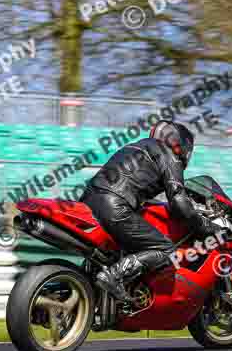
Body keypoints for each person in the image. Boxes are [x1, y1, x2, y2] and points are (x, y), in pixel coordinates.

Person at [79, 120, 223, 303]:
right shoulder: (169, 156)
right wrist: (205, 225)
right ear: (181, 144)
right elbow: (179, 201)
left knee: (111, 253)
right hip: (115, 205)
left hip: (88, 201)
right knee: (167, 250)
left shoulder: (134, 147)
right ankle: (114, 276)